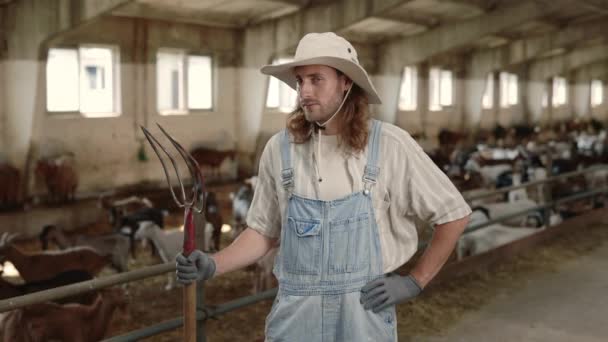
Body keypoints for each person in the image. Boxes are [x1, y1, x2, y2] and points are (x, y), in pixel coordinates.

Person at [176, 32, 471, 341]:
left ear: (346, 82)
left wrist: (414, 281)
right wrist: (213, 263)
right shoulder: (281, 150)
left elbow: (454, 214)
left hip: (363, 312)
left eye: (316, 80)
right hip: (296, 316)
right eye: (300, 81)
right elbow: (264, 231)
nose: (304, 91)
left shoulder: (389, 145)